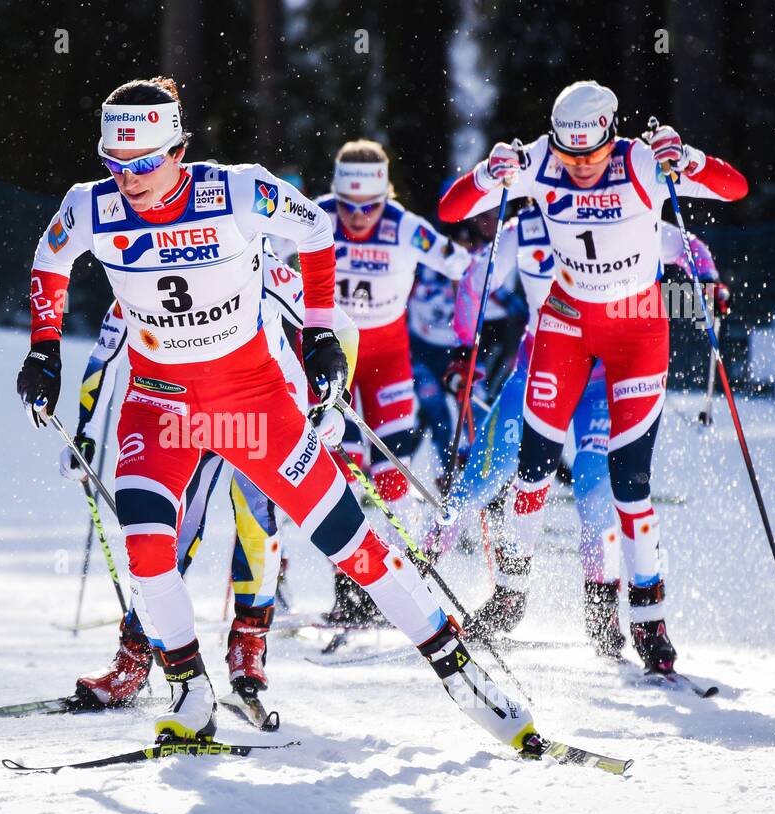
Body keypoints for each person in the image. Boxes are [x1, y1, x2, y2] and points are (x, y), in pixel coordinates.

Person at [17, 75, 540, 754]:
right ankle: (190, 692)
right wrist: (45, 350)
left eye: (144, 164)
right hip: (160, 406)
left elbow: (317, 228)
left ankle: (458, 670)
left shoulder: (232, 190)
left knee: (353, 544)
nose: (130, 181)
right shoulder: (91, 206)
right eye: (116, 166)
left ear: (178, 149)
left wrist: (321, 334)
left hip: (253, 403)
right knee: (148, 546)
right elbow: (50, 256)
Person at [439, 80, 747, 674]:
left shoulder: (640, 161)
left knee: (629, 484)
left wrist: (689, 160)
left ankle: (650, 620)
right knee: (530, 469)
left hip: (636, 331)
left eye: (590, 154)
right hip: (567, 325)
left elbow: (736, 189)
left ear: (610, 134)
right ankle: (510, 596)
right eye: (569, 153)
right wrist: (488, 173)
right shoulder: (540, 159)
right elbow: (453, 210)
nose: (579, 167)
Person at [62, 244, 355, 726]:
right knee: (167, 539)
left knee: (257, 524)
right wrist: (86, 432)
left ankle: (248, 649)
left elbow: (340, 325)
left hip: (265, 415)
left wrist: (333, 402)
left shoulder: (259, 265)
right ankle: (135, 657)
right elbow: (105, 353)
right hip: (189, 417)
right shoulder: (149, 275)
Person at [424, 202, 727, 655]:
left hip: (607, 375)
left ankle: (603, 614)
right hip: (543, 365)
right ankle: (427, 569)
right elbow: (474, 282)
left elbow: (686, 246)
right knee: (490, 471)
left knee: (594, 486)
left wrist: (708, 283)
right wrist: (465, 348)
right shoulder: (521, 229)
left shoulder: (619, 214)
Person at [316, 141, 471, 624]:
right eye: (349, 206)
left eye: (370, 206)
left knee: (393, 469)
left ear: (387, 195)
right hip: (332, 354)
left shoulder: (404, 226)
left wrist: (469, 334)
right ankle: (349, 583)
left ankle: (400, 582)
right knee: (336, 469)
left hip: (387, 356)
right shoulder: (316, 218)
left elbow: (464, 267)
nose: (358, 218)